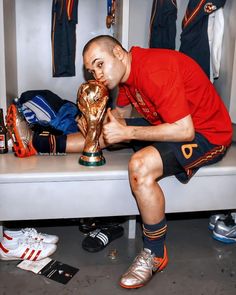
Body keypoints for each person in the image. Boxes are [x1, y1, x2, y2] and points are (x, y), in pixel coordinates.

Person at [6, 35, 233, 289]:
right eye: (91, 70)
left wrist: (128, 133)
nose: (97, 75)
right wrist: (95, 123)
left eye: (100, 64)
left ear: (118, 52)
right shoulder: (127, 77)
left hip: (207, 134)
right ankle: (35, 143)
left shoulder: (155, 69)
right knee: (106, 129)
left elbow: (184, 130)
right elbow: (121, 118)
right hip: (174, 124)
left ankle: (155, 254)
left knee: (140, 165)